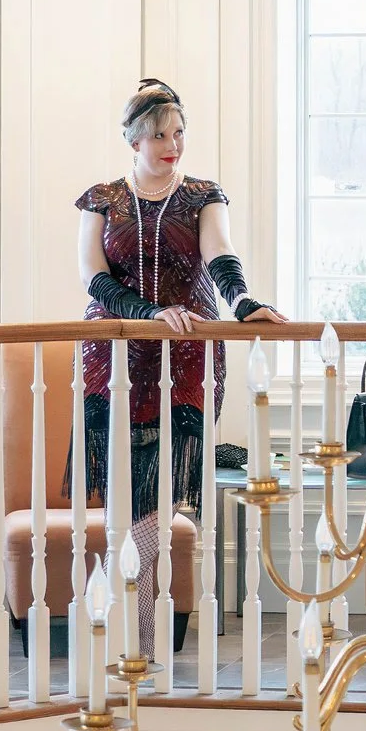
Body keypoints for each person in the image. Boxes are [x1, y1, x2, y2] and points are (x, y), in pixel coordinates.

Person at [76, 79, 283, 653]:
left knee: (161, 491)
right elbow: (92, 276)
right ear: (134, 140)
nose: (173, 144)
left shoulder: (201, 194)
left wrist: (242, 304)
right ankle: (127, 634)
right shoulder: (101, 198)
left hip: (186, 352)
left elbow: (219, 254)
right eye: (161, 135)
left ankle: (136, 638)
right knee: (123, 493)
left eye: (179, 133)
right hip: (113, 354)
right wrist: (146, 314)